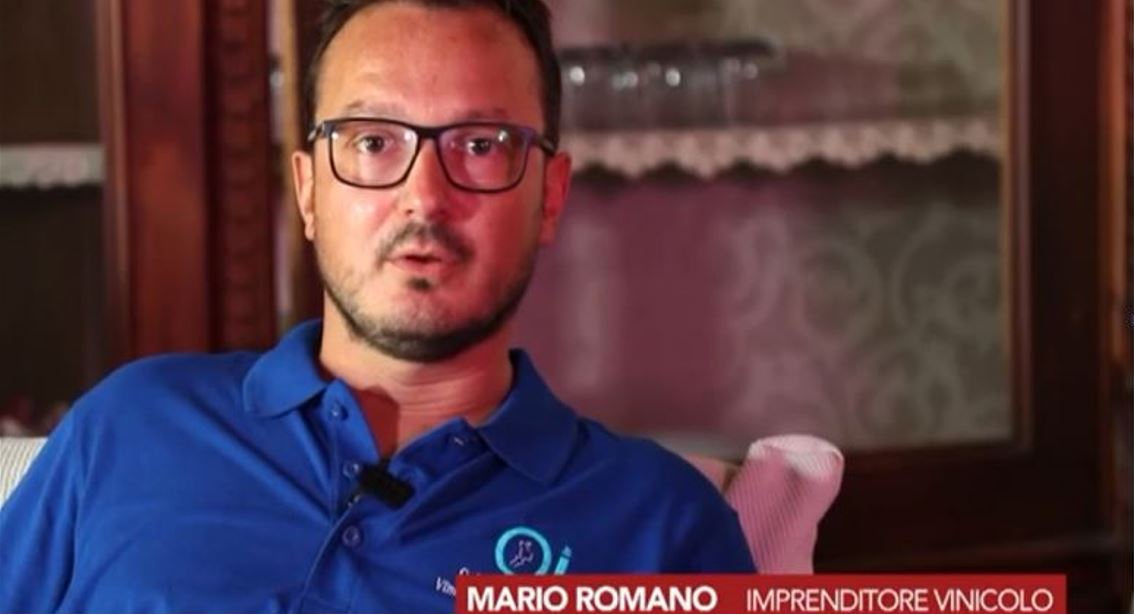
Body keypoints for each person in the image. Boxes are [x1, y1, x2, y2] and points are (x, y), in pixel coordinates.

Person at [0, 0, 755, 611]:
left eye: (480, 145)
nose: (423, 197)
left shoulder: (659, 523)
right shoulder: (130, 426)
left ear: (550, 197)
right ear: (307, 190)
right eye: (371, 142)